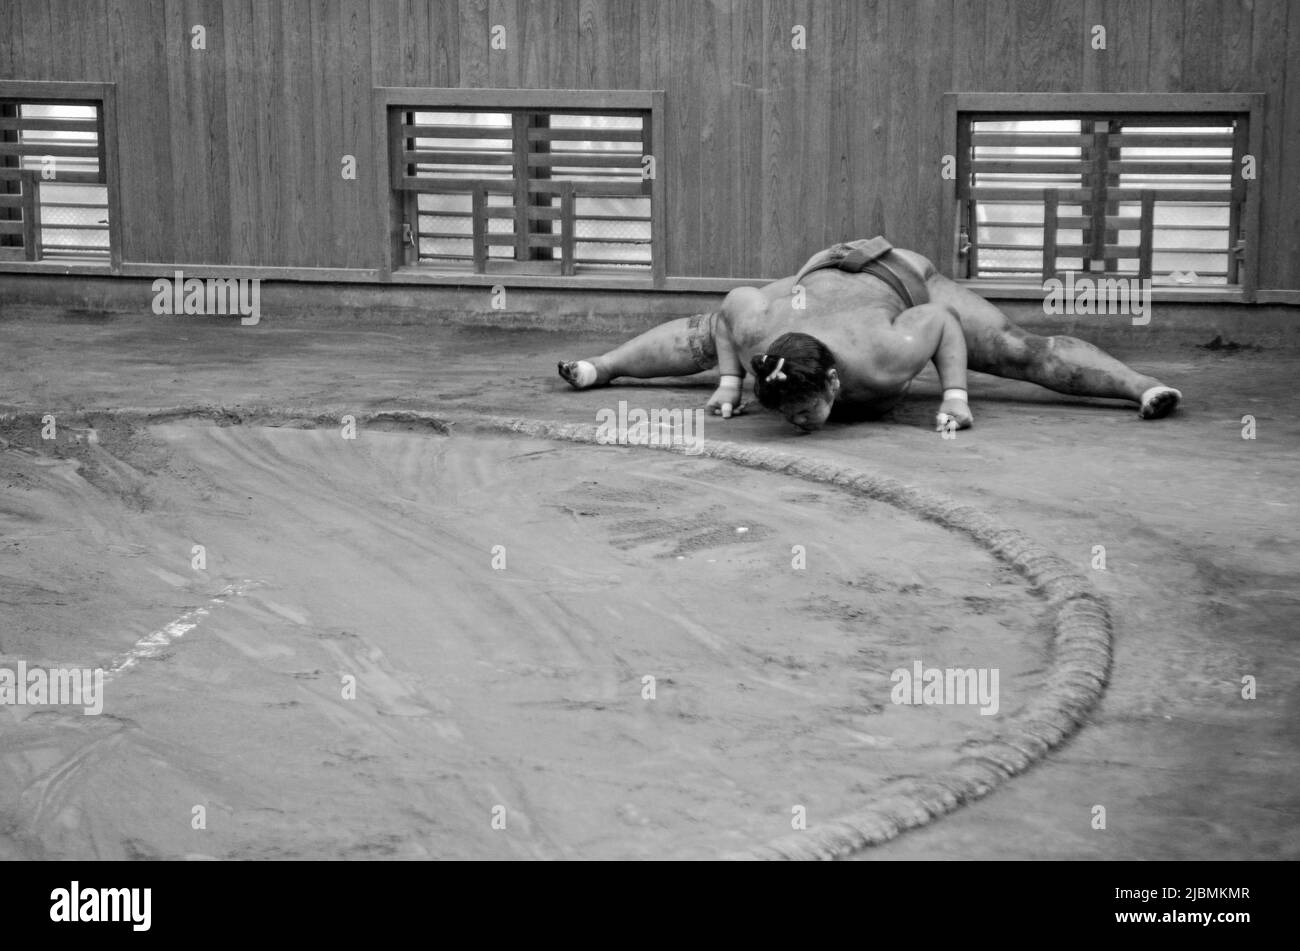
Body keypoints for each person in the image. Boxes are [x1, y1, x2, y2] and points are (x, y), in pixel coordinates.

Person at [558, 237, 1181, 433]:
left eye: (806, 414)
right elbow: (733, 306)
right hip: (814, 281)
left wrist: (955, 398)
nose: (801, 426)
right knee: (698, 335)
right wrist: (727, 382)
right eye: (794, 418)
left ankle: (1143, 387)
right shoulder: (758, 336)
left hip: (900, 280)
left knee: (1018, 350)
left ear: (835, 379)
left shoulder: (887, 357)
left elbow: (939, 326)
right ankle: (599, 367)